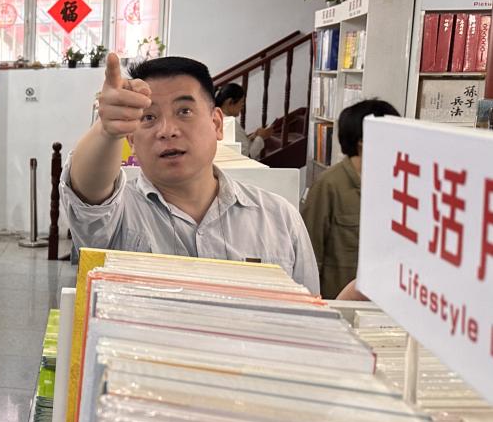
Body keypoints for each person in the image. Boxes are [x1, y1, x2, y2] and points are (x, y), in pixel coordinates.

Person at [64, 54, 320, 293]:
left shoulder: (279, 218)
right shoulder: (117, 215)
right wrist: (107, 130)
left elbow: (307, 314)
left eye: (184, 111)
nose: (167, 130)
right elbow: (88, 190)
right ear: (131, 139)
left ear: (216, 123)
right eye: (149, 117)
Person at [300, 99, 400, 299]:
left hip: (383, 301)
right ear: (363, 140)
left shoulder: (397, 182)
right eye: (392, 132)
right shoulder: (329, 184)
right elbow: (309, 255)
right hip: (339, 302)